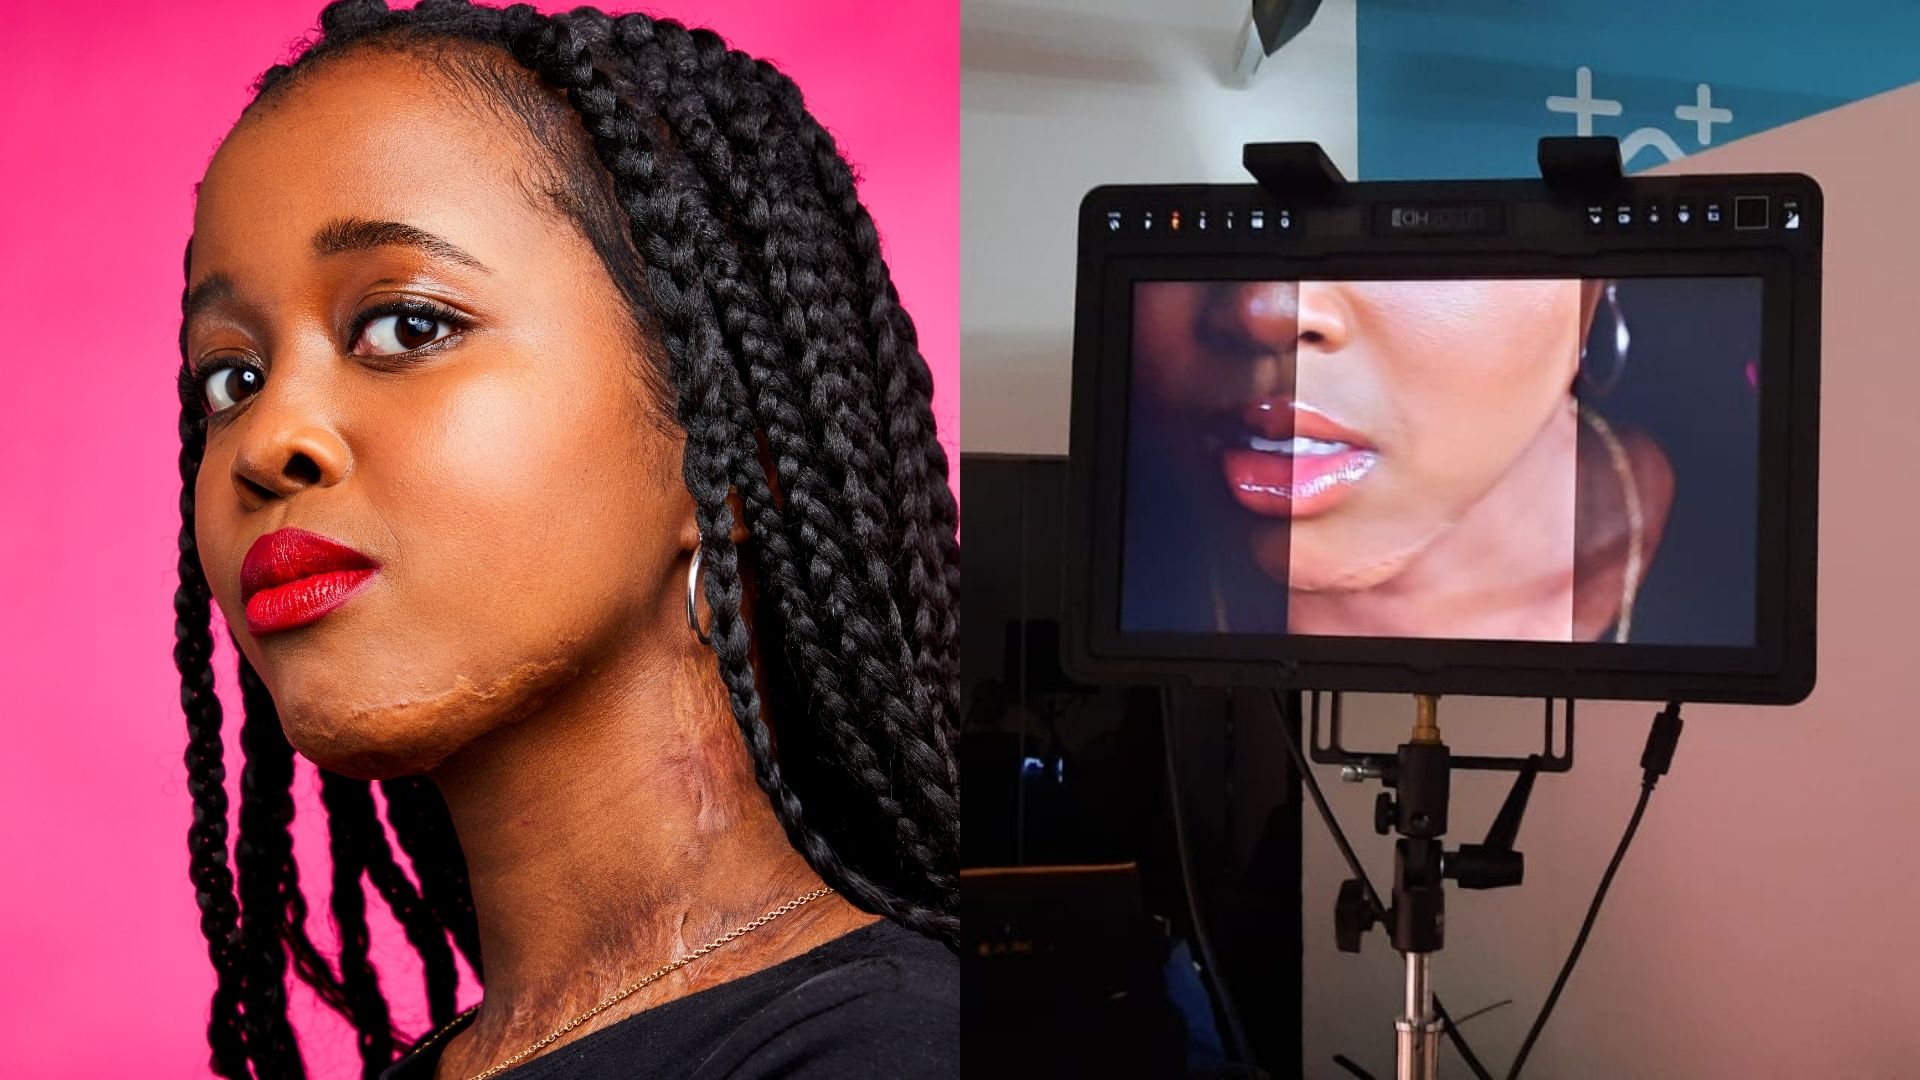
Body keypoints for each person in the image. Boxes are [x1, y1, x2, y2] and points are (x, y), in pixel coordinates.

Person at [171, 1, 960, 1076]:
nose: (270, 438)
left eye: (407, 325)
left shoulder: (890, 1051)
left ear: (717, 449)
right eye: (232, 377)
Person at [1126, 277, 1675, 642]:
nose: (1263, 311)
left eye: (1424, 230)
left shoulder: (1735, 542)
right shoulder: (1127, 571)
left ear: (1590, 288)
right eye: (1226, 224)